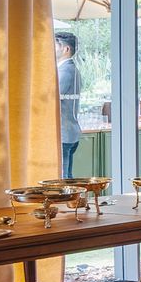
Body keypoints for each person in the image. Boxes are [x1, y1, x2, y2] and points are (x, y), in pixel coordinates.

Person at [55, 30, 81, 177]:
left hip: (64, 133)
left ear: (66, 49)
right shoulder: (72, 69)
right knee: (66, 177)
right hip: (70, 132)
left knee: (63, 178)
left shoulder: (66, 71)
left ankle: (68, 201)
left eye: (55, 46)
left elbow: (52, 98)